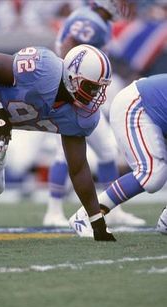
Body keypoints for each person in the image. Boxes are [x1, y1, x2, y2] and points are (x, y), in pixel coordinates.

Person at [0, 44, 116, 246]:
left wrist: (96, 219)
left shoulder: (81, 116)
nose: (96, 94)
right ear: (71, 77)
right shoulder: (43, 68)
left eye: (99, 88)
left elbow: (79, 168)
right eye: (91, 87)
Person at [43, 0, 145, 227]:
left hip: (80, 96)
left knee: (107, 150)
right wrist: (71, 87)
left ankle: (113, 210)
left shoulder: (97, 20)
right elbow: (68, 46)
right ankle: (53, 210)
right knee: (64, 153)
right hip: (70, 96)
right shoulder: (91, 22)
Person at [69, 74, 167, 237]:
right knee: (151, 174)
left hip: (151, 109)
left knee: (155, 175)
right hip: (138, 104)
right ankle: (85, 216)